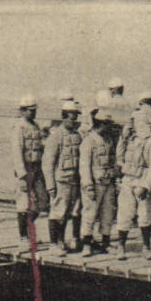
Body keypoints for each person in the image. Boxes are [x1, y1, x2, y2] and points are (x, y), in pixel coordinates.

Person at [114, 106, 151, 258]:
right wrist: (122, 138)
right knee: (124, 213)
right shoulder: (130, 139)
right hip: (128, 179)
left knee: (145, 215)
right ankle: (121, 246)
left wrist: (146, 186)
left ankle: (146, 247)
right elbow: (119, 158)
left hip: (142, 179)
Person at [42, 101, 84, 253]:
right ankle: (54, 244)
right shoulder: (56, 136)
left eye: (75, 118)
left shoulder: (77, 135)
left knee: (74, 211)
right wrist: (50, 185)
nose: (74, 121)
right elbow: (48, 163)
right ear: (64, 117)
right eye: (72, 117)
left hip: (75, 180)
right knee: (58, 212)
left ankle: (67, 240)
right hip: (62, 181)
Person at [80, 107, 120, 255]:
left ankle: (105, 242)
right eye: (106, 124)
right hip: (95, 183)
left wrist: (115, 175)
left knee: (107, 213)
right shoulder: (89, 141)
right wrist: (88, 185)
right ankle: (87, 244)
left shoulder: (109, 140)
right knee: (90, 213)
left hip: (108, 182)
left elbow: (113, 160)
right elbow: (84, 166)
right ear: (100, 123)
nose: (108, 127)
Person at [12, 96, 50, 244]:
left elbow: (39, 146)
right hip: (25, 168)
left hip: (37, 168)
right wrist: (21, 175)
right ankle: (23, 237)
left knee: (42, 201)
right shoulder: (19, 128)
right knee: (23, 204)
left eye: (34, 110)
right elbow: (17, 152)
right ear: (22, 111)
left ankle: (29, 228)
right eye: (30, 110)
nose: (33, 113)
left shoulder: (35, 126)